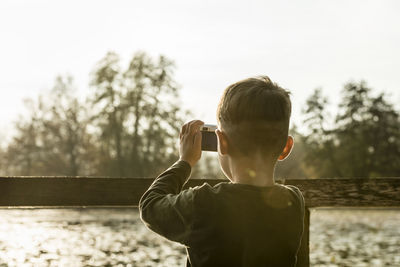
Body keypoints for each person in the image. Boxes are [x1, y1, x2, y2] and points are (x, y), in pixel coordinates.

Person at [139, 76, 305, 267]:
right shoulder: (293, 202)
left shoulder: (204, 203)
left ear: (222, 142)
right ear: (286, 147)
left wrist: (185, 162)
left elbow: (150, 205)